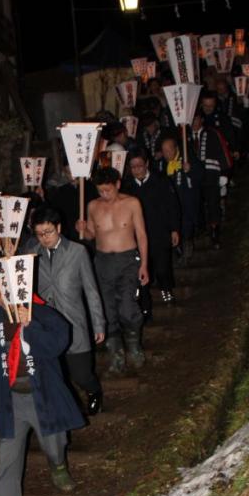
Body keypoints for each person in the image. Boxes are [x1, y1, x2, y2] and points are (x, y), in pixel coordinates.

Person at [0, 280, 84, 496]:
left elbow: (57, 345)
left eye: (1, 293)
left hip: (42, 395)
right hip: (11, 400)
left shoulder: (43, 314)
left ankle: (58, 466)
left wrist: (31, 326)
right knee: (7, 458)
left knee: (54, 443)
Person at [30, 205, 106, 415]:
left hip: (74, 323)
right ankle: (69, 408)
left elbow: (91, 291)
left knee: (81, 374)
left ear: (59, 227)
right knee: (57, 373)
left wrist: (98, 323)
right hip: (47, 326)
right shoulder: (32, 256)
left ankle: (93, 390)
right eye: (39, 234)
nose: (44, 238)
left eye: (48, 232)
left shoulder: (77, 252)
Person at [76, 168, 149, 372]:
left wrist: (144, 264)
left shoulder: (132, 203)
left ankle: (134, 346)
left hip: (128, 260)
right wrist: (82, 229)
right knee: (106, 310)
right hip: (103, 261)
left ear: (117, 184)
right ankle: (115, 354)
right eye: (100, 191)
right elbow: (91, 235)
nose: (104, 195)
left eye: (108, 190)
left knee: (127, 307)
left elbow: (141, 234)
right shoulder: (92, 205)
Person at [122, 149, 180, 317]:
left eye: (140, 165)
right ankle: (145, 304)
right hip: (137, 236)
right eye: (133, 167)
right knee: (141, 270)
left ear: (147, 164)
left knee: (162, 267)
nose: (137, 169)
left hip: (159, 232)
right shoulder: (127, 187)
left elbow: (172, 206)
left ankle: (166, 289)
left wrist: (174, 228)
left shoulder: (160, 181)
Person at [158, 134, 204, 264]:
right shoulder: (162, 164)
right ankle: (178, 250)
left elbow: (200, 176)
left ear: (176, 148)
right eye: (164, 151)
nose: (167, 154)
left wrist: (190, 170)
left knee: (186, 223)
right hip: (170, 202)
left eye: (169, 150)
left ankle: (188, 245)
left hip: (186, 199)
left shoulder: (186, 159)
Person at [190, 109, 229, 247]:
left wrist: (224, 173)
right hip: (195, 177)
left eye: (196, 119)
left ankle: (215, 233)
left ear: (201, 120)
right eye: (192, 120)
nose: (194, 123)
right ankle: (200, 229)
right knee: (197, 204)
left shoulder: (212, 133)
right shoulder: (186, 137)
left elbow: (222, 151)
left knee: (213, 203)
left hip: (211, 173)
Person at [46, 164, 98, 243]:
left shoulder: (92, 188)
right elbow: (54, 212)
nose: (72, 175)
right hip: (69, 237)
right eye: (68, 172)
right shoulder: (60, 191)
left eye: (74, 172)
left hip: (89, 235)